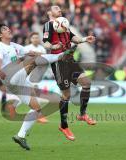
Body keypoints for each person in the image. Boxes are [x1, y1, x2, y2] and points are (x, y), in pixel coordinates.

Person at [0, 23, 75, 150]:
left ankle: (21, 136)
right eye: (4, 29)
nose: (8, 29)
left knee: (36, 109)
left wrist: (50, 49)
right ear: (0, 35)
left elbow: (30, 52)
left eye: (7, 27)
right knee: (32, 60)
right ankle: (60, 57)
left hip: (18, 82)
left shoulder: (14, 45)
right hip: (9, 76)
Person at [43, 5, 96, 141]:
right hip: (59, 62)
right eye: (56, 9)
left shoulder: (64, 23)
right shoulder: (49, 25)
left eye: (60, 9)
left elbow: (73, 38)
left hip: (70, 59)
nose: (59, 10)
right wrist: (53, 46)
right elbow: (46, 43)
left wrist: (85, 39)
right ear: (50, 13)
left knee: (86, 82)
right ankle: (64, 125)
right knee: (66, 94)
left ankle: (82, 114)